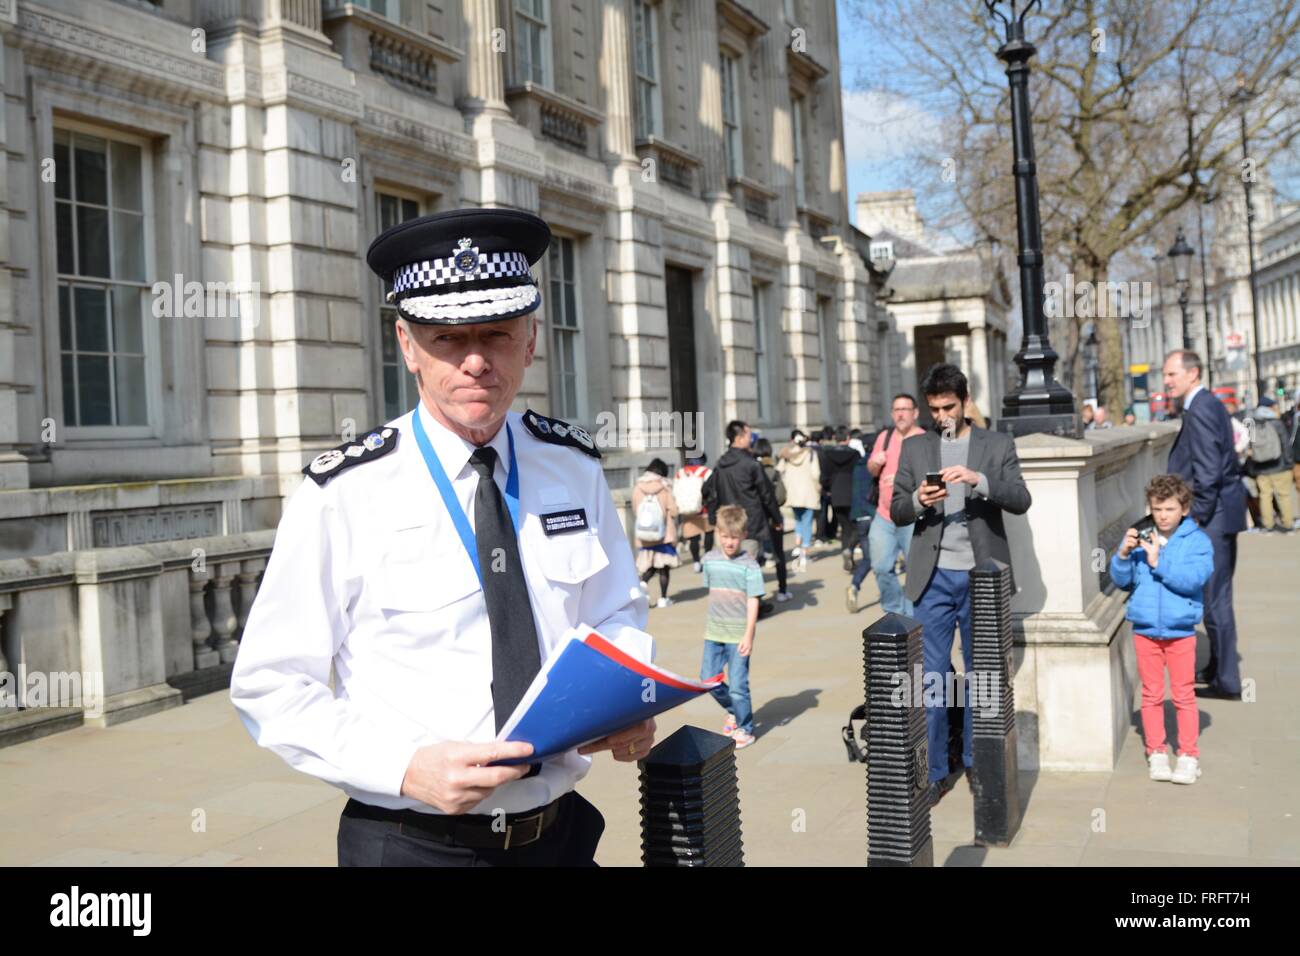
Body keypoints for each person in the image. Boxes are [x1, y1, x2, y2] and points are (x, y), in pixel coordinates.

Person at [230, 208, 655, 867]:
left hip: (559, 840)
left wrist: (626, 700)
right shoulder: (343, 492)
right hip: (411, 844)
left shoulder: (572, 467)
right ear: (407, 346)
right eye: (448, 338)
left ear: (532, 338)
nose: (476, 360)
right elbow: (273, 682)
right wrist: (402, 767)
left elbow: (614, 613)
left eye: (497, 333)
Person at [891, 363, 1032, 807]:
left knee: (980, 676)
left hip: (982, 575)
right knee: (931, 680)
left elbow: (1021, 499)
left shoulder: (996, 444)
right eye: (934, 409)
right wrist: (918, 500)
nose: (942, 417)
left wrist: (979, 481)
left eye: (949, 407)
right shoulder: (915, 449)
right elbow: (895, 508)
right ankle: (934, 772)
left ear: (965, 402)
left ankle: (976, 761)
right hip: (932, 579)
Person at [1110, 474, 1215, 785]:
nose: (1162, 516)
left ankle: (1188, 755)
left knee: (1183, 695)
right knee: (1152, 694)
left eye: (1169, 509)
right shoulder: (1141, 534)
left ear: (1183, 509)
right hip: (1145, 629)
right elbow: (1122, 580)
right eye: (1157, 509)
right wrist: (1123, 555)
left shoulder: (1197, 542)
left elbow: (1194, 580)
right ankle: (1156, 750)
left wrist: (1159, 563)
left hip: (1180, 630)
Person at [1162, 350, 1247, 701]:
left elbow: (1209, 469)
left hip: (1212, 517)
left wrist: (1197, 514)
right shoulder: (1206, 404)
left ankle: (1227, 681)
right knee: (1216, 596)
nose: (1166, 381)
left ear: (1193, 373)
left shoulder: (1199, 408)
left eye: (1171, 375)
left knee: (1216, 600)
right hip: (1223, 513)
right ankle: (1217, 667)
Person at [851, 393, 925, 616]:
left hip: (913, 517)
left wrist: (904, 481)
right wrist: (875, 463)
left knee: (916, 570)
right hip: (884, 516)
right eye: (897, 410)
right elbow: (872, 471)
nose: (901, 414)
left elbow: (931, 477)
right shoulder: (885, 437)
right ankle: (894, 613)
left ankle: (913, 617)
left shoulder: (923, 440)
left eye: (905, 409)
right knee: (881, 566)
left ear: (915, 413)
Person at [700, 504, 765, 749]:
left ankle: (746, 728)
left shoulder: (749, 565)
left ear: (743, 536)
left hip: (738, 634)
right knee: (708, 681)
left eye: (734, 538)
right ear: (717, 533)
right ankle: (733, 711)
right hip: (713, 632)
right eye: (725, 537)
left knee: (738, 687)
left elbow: (753, 600)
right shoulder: (709, 560)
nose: (729, 542)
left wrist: (749, 634)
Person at [702, 420, 783, 571]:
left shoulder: (720, 464)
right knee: (747, 571)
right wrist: (776, 518)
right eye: (749, 435)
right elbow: (767, 494)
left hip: (727, 524)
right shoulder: (752, 464)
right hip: (749, 525)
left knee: (729, 570)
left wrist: (714, 516)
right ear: (739, 438)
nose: (751, 439)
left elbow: (707, 491)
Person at [632, 458, 681, 607]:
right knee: (663, 568)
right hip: (663, 535)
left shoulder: (638, 487)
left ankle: (643, 584)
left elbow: (635, 509)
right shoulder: (665, 487)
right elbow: (673, 511)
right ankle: (663, 599)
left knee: (649, 566)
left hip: (645, 534)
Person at [1245, 396, 1294, 533]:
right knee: (1283, 495)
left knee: (1265, 496)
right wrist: (1289, 463)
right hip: (1280, 465)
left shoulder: (1252, 423)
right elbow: (1285, 443)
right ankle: (1288, 523)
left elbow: (1249, 446)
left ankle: (1268, 524)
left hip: (1261, 468)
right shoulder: (1276, 422)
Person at [753, 438, 792, 601]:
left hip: (755, 519)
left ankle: (757, 595)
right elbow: (781, 497)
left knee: (754, 558)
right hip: (773, 517)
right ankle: (782, 590)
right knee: (779, 555)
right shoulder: (773, 472)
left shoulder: (751, 470)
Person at [777, 429, 821, 572]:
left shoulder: (786, 454)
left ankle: (797, 546)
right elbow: (816, 474)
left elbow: (780, 469)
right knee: (807, 521)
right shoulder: (811, 454)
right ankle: (804, 551)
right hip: (808, 492)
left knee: (798, 520)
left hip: (793, 492)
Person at [821, 426, 862, 571]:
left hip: (836, 493)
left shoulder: (827, 455)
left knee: (844, 527)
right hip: (853, 492)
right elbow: (860, 474)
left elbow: (824, 477)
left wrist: (828, 489)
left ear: (835, 438)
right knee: (856, 526)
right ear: (848, 438)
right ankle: (849, 550)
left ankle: (847, 552)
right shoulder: (855, 454)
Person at [675, 451, 713, 572]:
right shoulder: (706, 472)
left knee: (693, 538)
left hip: (687, 510)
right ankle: (706, 556)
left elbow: (675, 492)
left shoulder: (680, 473)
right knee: (708, 533)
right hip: (704, 509)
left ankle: (696, 561)